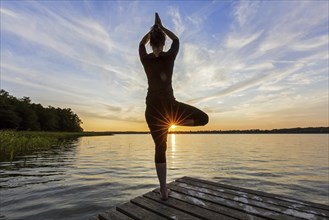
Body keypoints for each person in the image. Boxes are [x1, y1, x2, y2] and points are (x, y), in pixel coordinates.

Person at [139, 13, 208, 200]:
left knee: (160, 149)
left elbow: (140, 45)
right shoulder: (169, 57)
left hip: (152, 110)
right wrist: (161, 27)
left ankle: (163, 191)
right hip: (170, 107)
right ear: (163, 43)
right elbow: (176, 39)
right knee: (204, 119)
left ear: (151, 43)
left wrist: (151, 30)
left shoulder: (146, 59)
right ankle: (174, 123)